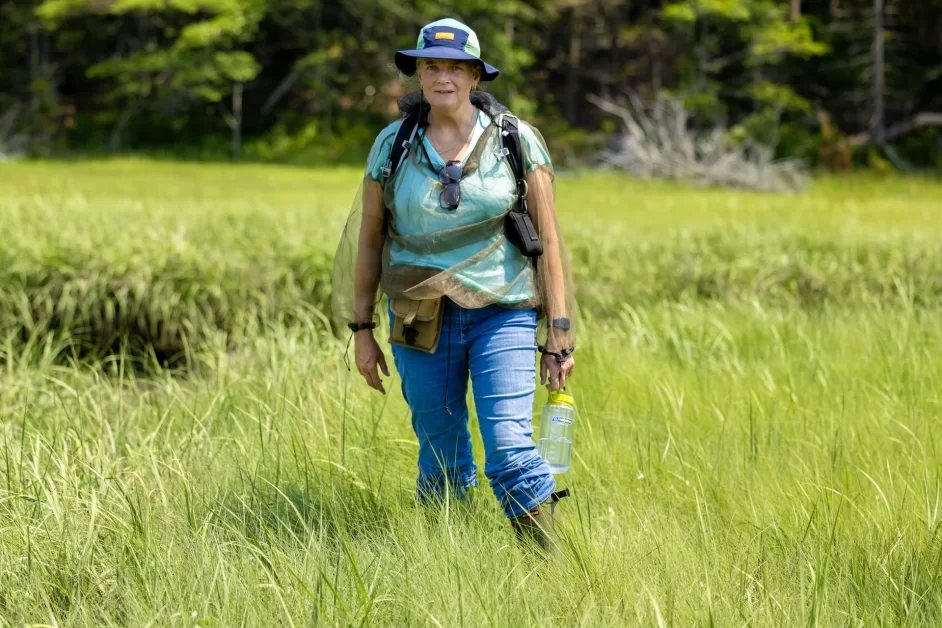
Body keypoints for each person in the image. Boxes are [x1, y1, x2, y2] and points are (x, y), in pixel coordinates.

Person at [331, 18, 577, 547]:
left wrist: (558, 334)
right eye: (432, 66)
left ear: (474, 75)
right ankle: (453, 560)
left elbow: (550, 242)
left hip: (502, 311)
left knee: (510, 445)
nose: (443, 77)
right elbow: (370, 239)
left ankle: (550, 567)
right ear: (419, 73)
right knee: (440, 450)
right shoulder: (392, 145)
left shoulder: (517, 139)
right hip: (419, 316)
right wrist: (362, 329)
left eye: (455, 67)